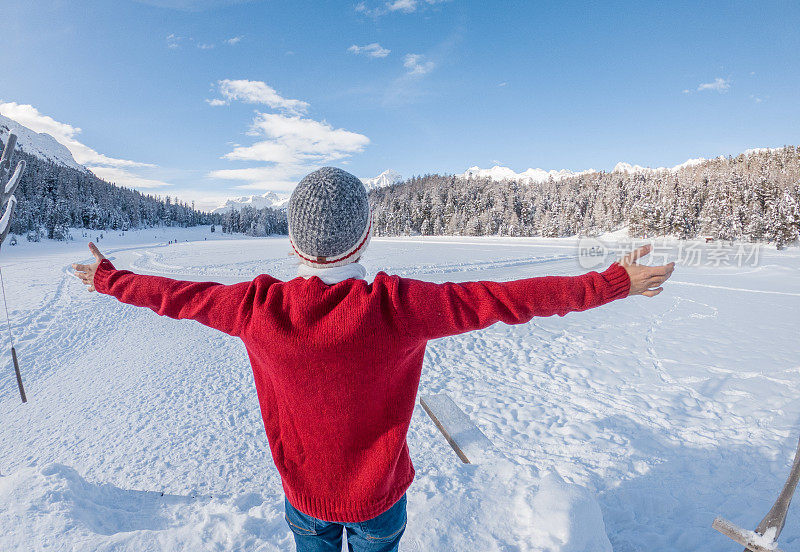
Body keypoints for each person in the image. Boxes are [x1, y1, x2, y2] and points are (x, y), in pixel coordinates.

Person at [72, 166, 674, 552]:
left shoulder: (257, 309)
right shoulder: (399, 307)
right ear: (364, 239)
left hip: (304, 498)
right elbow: (508, 300)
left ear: (293, 242)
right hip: (380, 501)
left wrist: (109, 278)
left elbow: (177, 296)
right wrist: (613, 281)